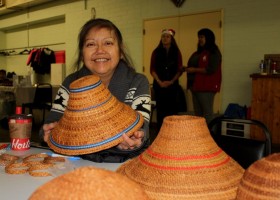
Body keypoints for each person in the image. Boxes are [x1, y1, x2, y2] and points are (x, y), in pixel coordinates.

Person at [40, 18, 151, 162]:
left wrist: (136, 138)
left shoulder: (138, 82)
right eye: (91, 44)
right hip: (77, 164)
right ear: (82, 53)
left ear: (121, 51)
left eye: (108, 43)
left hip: (124, 164)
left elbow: (142, 126)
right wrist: (48, 131)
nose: (100, 50)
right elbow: (52, 121)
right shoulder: (71, 84)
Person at [183, 28, 222, 124]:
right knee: (198, 114)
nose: (199, 39)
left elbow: (211, 69)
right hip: (195, 87)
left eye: (202, 37)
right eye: (199, 37)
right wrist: (186, 68)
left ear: (208, 38)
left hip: (206, 87)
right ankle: (200, 136)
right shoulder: (198, 53)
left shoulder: (214, 52)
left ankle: (210, 136)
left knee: (207, 113)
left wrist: (194, 70)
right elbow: (196, 65)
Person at [150, 29, 184, 131]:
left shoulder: (177, 52)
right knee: (161, 110)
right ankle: (161, 132)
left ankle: (173, 131)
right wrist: (160, 82)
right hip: (159, 85)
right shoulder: (156, 52)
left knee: (172, 109)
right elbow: (152, 69)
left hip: (172, 85)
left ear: (171, 38)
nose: (165, 38)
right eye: (163, 36)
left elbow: (180, 69)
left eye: (167, 37)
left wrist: (171, 81)